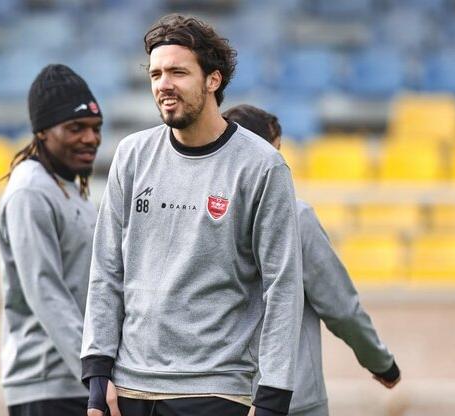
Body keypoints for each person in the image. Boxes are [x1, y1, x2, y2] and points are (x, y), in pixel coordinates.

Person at [81, 14, 304, 416]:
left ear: (213, 80)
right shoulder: (132, 155)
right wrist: (98, 372)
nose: (163, 84)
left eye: (178, 72)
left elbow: (282, 285)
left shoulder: (261, 166)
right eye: (156, 74)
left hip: (215, 390)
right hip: (130, 387)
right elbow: (106, 269)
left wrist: (273, 396)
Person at [222, 104, 401, 416]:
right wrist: (381, 363)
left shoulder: (198, 214)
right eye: (276, 149)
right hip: (291, 398)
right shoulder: (295, 217)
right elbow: (341, 308)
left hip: (212, 393)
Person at [0, 64, 103, 416]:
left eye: (96, 128)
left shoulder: (70, 189)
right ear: (42, 131)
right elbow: (45, 291)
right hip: (49, 384)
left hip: (77, 381)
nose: (90, 138)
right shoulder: (30, 191)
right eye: (76, 128)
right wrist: (94, 375)